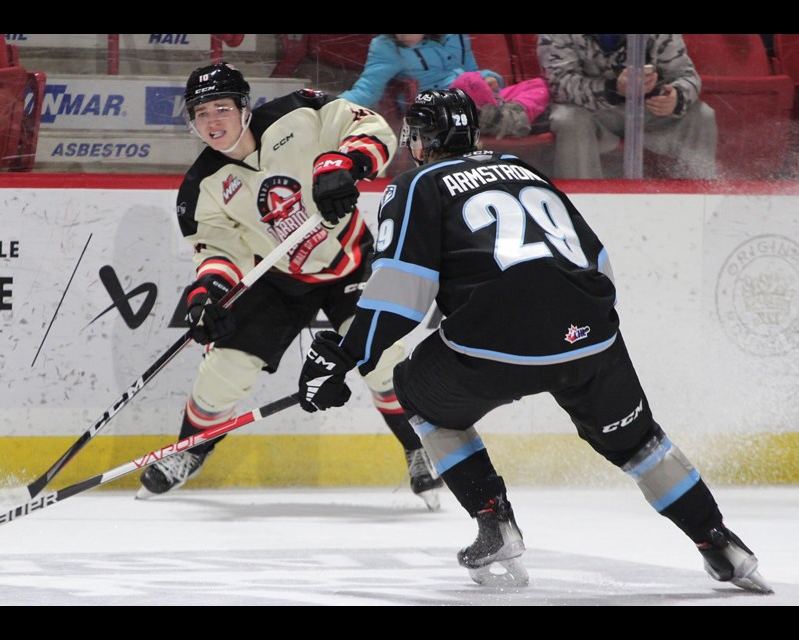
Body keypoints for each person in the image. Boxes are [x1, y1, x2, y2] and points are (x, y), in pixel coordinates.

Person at [296, 87, 772, 592]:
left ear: (420, 140)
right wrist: (575, 331)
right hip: (590, 333)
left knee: (417, 393)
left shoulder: (417, 184)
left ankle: (493, 523)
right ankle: (718, 540)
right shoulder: (526, 171)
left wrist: (346, 356)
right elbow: (599, 264)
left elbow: (400, 294)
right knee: (638, 442)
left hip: (497, 337)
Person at [137, 62, 444, 509]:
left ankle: (419, 447)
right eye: (201, 114)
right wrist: (208, 296)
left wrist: (348, 161)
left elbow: (370, 126)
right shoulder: (200, 188)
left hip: (351, 263)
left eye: (221, 108)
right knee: (224, 370)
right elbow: (219, 253)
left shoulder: (298, 112)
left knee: (383, 364)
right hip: (277, 279)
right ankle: (191, 449)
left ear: (245, 107)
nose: (212, 122)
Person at [538, 34, 717, 179]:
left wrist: (676, 97)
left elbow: (687, 76)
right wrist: (613, 88)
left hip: (647, 112)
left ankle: (696, 201)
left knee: (701, 115)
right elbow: (559, 85)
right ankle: (579, 208)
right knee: (568, 119)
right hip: (591, 114)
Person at [340, 34, 549, 140]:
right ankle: (508, 119)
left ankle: (501, 118)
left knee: (540, 85)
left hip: (479, 96)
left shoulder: (455, 36)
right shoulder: (386, 47)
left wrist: (490, 78)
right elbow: (366, 90)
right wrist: (328, 104)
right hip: (440, 110)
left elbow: (472, 70)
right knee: (469, 83)